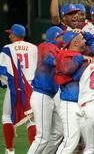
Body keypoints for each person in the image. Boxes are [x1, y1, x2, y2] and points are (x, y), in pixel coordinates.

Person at [54, 30, 94, 154]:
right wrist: (80, 57)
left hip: (81, 104)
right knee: (70, 141)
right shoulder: (64, 54)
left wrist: (85, 33)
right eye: (83, 39)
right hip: (69, 104)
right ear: (76, 42)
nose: (85, 41)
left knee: (88, 141)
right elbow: (67, 69)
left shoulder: (81, 52)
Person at [0, 24, 38, 154]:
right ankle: (34, 151)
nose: (9, 35)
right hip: (32, 88)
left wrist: (4, 84)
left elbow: (3, 71)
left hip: (15, 87)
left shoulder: (7, 48)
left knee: (6, 117)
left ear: (14, 35)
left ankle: (9, 150)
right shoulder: (34, 48)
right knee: (31, 120)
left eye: (10, 33)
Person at [27, 26, 64, 154]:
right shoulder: (48, 46)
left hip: (49, 96)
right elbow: (49, 59)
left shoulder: (53, 47)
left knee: (58, 133)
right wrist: (62, 61)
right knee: (42, 137)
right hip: (42, 95)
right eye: (61, 36)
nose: (63, 38)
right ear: (56, 37)